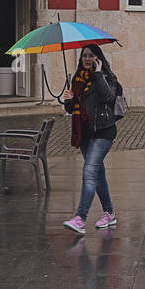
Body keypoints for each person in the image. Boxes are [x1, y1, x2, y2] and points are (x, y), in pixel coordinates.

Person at [62, 44, 122, 233]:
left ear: (98, 58)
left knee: (89, 172)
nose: (87, 59)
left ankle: (80, 218)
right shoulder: (78, 79)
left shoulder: (107, 77)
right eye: (84, 56)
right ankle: (109, 213)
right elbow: (73, 110)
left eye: (91, 56)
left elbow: (108, 97)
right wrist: (69, 100)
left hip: (104, 131)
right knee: (98, 174)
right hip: (85, 133)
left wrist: (98, 73)